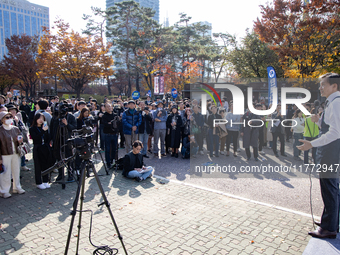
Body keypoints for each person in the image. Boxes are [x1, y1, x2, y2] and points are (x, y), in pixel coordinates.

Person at [298, 73, 340, 239]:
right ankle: (330, 221)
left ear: (334, 86)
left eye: (323, 84)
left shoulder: (336, 103)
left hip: (331, 151)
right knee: (331, 188)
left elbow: (335, 132)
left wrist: (312, 144)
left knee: (329, 188)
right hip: (330, 150)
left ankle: (329, 228)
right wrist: (318, 121)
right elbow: (330, 125)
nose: (320, 87)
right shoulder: (332, 102)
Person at [0, 111, 25, 198]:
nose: (9, 119)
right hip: (5, 153)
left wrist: (20, 142)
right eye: (6, 117)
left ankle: (17, 187)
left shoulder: (15, 128)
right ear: (2, 119)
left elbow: (20, 139)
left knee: (16, 170)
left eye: (10, 117)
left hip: (16, 152)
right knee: (6, 173)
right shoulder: (0, 130)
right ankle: (4, 190)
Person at [29, 113, 53, 190]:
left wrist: (46, 131)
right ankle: (39, 182)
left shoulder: (45, 128)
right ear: (35, 119)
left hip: (45, 148)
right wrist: (42, 131)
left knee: (46, 164)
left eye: (42, 118)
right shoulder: (32, 128)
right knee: (38, 166)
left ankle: (46, 180)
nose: (41, 120)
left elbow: (48, 138)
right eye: (39, 118)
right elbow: (35, 138)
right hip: (37, 148)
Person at [102, 103, 119, 169]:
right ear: (105, 108)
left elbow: (118, 124)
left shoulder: (115, 115)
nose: (109, 108)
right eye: (107, 107)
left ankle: (113, 161)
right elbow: (105, 124)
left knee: (114, 149)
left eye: (110, 106)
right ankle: (108, 162)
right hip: (107, 134)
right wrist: (110, 123)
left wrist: (111, 123)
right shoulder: (104, 116)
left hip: (114, 134)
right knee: (108, 149)